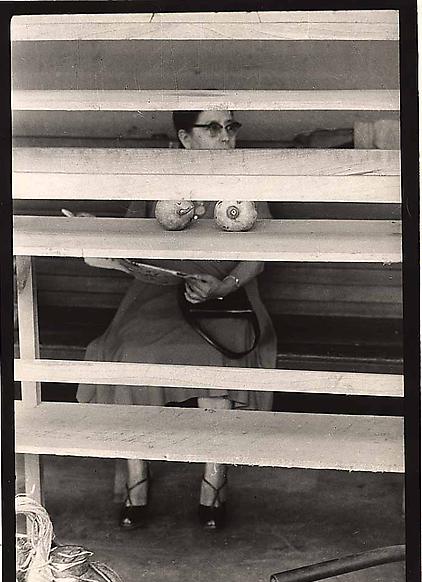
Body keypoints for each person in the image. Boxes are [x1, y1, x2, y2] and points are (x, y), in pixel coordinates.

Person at [76, 110, 277, 530]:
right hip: (159, 295)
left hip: (226, 296)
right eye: (214, 128)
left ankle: (214, 482)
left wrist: (223, 287)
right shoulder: (159, 179)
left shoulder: (246, 178)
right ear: (185, 138)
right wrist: (106, 248)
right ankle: (137, 480)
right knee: (129, 353)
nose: (227, 137)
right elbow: (132, 246)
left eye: (231, 127)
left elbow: (261, 255)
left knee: (221, 358)